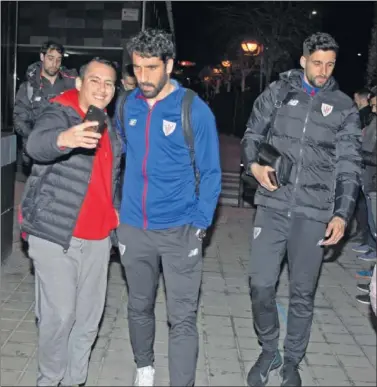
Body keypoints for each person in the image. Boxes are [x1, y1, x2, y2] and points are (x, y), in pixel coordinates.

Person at [241, 32, 361, 387]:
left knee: (302, 292)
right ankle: (268, 349)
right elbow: (251, 135)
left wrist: (341, 213)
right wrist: (254, 166)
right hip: (273, 204)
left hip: (314, 212)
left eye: (330, 64)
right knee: (260, 284)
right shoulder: (277, 94)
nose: (323, 71)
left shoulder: (344, 108)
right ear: (303, 60)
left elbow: (349, 165)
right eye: (317, 63)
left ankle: (292, 360)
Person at [115, 29, 221, 386]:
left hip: (180, 230)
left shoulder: (194, 110)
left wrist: (200, 224)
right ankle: (144, 366)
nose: (143, 77)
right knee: (139, 306)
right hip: (133, 226)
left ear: (170, 65)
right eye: (137, 68)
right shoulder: (126, 104)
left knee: (183, 318)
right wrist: (117, 213)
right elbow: (118, 156)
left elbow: (210, 173)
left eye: (152, 68)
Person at [19, 58, 122, 386]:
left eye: (109, 84)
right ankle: (49, 380)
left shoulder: (109, 128)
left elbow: (110, 181)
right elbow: (36, 145)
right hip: (55, 231)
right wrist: (65, 139)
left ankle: (76, 380)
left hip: (98, 239)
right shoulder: (59, 112)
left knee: (89, 321)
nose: (102, 89)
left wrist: (116, 219)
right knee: (60, 315)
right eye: (95, 81)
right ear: (78, 84)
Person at [13, 41, 77, 172]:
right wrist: (37, 139)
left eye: (59, 59)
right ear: (42, 57)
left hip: (67, 153)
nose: (55, 64)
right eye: (50, 58)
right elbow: (19, 120)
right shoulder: (29, 87)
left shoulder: (72, 85)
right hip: (38, 154)